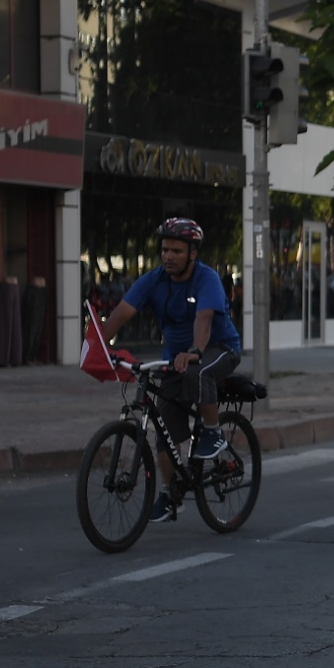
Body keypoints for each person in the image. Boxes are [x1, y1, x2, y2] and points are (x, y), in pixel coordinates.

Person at [97, 218, 243, 525]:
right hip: (175, 358)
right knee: (163, 428)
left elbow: (204, 319)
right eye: (164, 250)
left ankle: (213, 432)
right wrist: (96, 345)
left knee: (197, 372)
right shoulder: (154, 280)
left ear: (192, 253)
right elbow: (122, 312)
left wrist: (195, 351)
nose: (168, 256)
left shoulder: (206, 278)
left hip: (217, 349)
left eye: (176, 250)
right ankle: (170, 494)